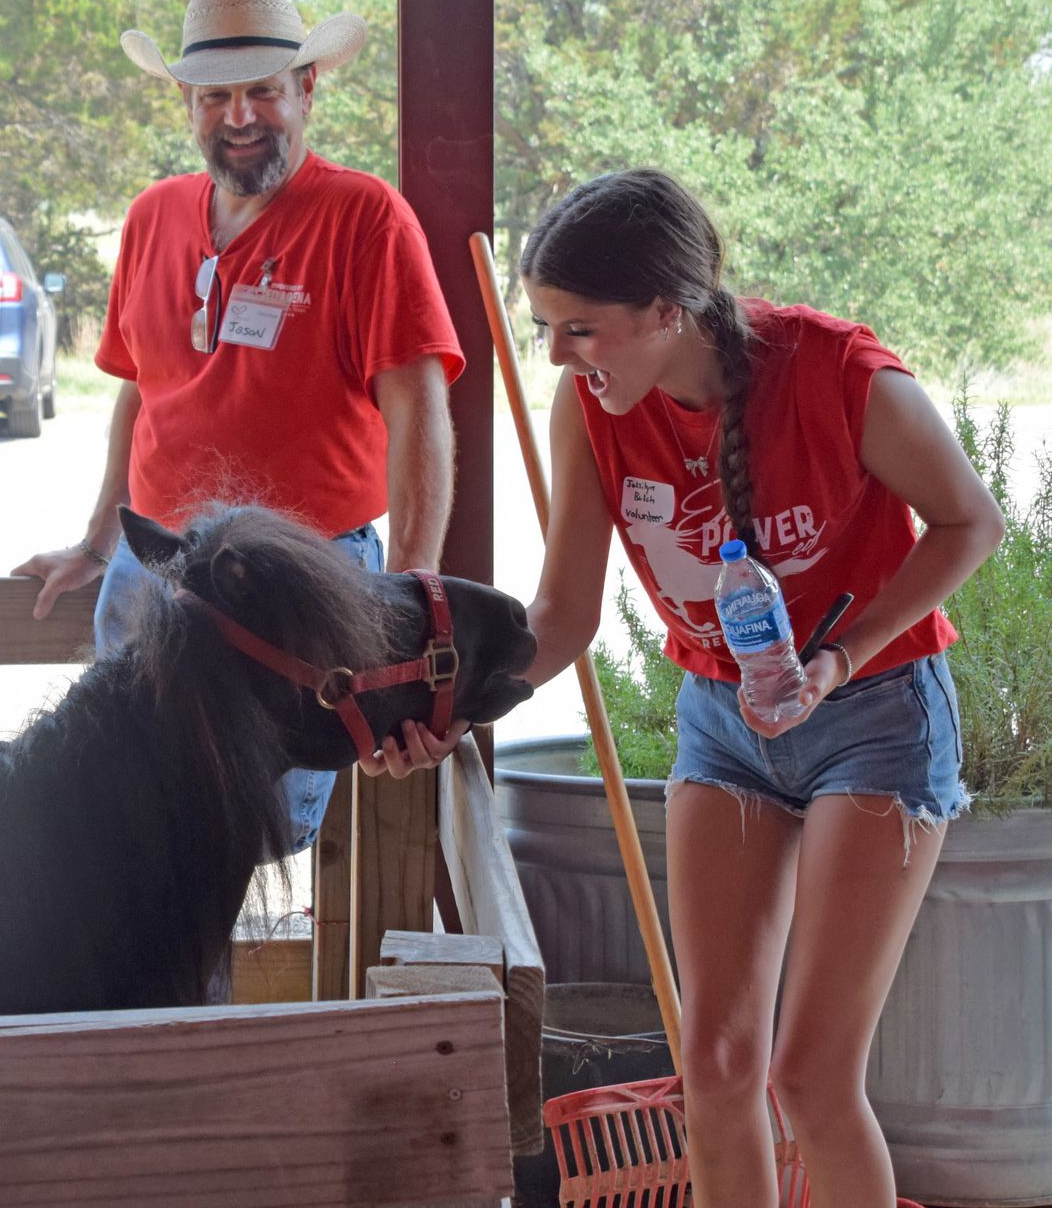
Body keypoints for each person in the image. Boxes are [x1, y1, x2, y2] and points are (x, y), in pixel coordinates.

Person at [364, 168, 1005, 1208]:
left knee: (810, 1076)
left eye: (579, 329)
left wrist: (837, 657)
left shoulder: (839, 371)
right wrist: (452, 714)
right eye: (546, 328)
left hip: (876, 715)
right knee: (712, 1063)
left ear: (669, 310)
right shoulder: (595, 410)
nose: (559, 357)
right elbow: (565, 614)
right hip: (724, 724)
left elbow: (973, 522)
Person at [13, 0, 463, 853]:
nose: (241, 115)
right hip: (152, 574)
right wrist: (99, 537)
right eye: (216, 95)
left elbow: (420, 413)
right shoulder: (151, 217)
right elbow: (138, 392)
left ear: (308, 88)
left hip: (297, 588)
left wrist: (407, 602)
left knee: (249, 833)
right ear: (186, 101)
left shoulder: (365, 218)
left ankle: (219, 997)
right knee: (135, 826)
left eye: (263, 90)